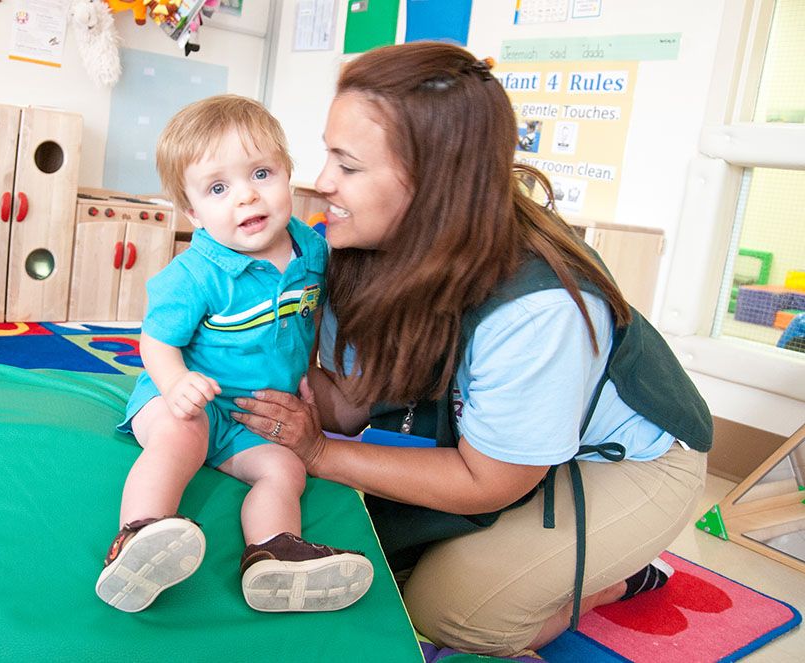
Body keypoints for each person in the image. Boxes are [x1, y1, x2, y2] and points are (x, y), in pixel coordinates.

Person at [231, 43, 711, 657]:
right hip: (496, 442)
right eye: (327, 154)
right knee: (345, 534)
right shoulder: (354, 248)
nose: (322, 183)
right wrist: (250, 356)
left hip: (626, 463)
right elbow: (352, 402)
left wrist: (320, 453)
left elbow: (490, 480)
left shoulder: (538, 308)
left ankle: (619, 579)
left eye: (347, 166)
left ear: (431, 182)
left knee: (447, 613)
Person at [95, 94, 374, 614]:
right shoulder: (195, 273)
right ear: (192, 211)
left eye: (262, 173)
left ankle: (272, 555)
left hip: (253, 416)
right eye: (219, 188)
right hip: (182, 399)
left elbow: (308, 320)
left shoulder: (312, 253)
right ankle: (138, 535)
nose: (246, 197)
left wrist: (311, 372)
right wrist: (177, 384)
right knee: (184, 433)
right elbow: (156, 341)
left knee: (285, 470)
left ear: (289, 175)